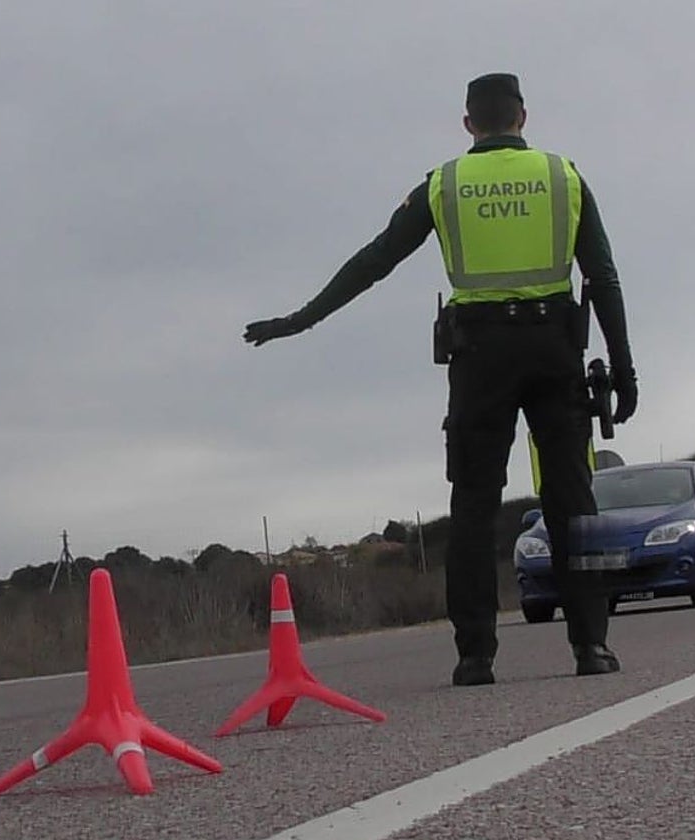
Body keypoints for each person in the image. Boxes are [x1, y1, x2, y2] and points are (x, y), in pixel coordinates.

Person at [243, 73, 637, 685]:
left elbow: (374, 261)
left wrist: (300, 320)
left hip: (480, 356)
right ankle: (592, 647)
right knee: (574, 504)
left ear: (468, 123)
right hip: (554, 347)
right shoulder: (565, 177)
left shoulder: (444, 184)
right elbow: (603, 278)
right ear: (523, 118)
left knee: (474, 506)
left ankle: (474, 656)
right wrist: (624, 366)